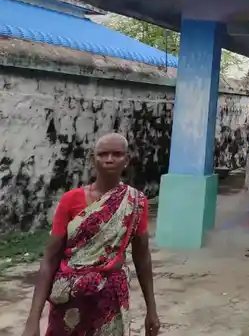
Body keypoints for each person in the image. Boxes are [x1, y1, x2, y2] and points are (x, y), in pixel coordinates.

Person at [21, 133, 160, 336]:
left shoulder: (136, 202)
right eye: (103, 154)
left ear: (127, 160)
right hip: (69, 300)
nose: (110, 159)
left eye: (117, 154)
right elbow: (50, 260)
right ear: (92, 159)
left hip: (110, 301)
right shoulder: (70, 200)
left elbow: (142, 257)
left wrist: (152, 310)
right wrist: (33, 320)